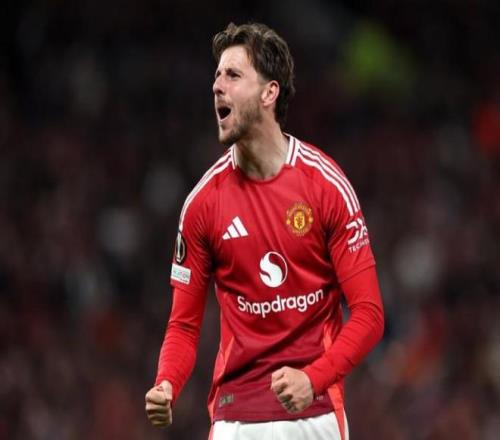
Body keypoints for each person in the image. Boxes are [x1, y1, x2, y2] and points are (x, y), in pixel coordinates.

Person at [145, 22, 384, 440]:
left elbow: (369, 314)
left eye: (233, 75)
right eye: (217, 76)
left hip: (314, 414)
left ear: (269, 93)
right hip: (235, 419)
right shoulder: (202, 205)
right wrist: (167, 383)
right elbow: (183, 325)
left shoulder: (325, 186)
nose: (217, 86)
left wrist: (313, 378)